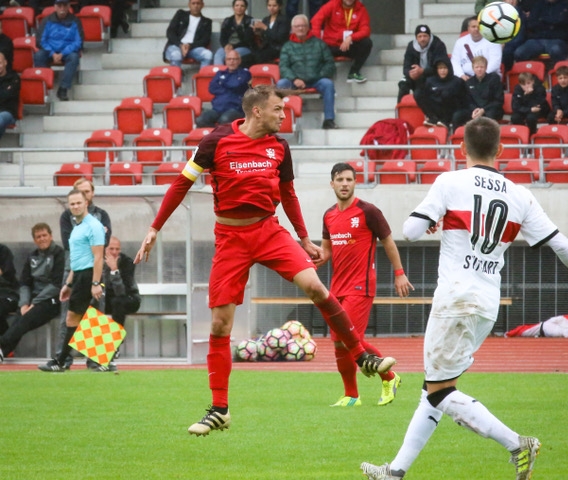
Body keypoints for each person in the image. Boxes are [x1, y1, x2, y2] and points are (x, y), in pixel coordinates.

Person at [134, 84, 396, 437]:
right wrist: (154, 228)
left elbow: (287, 194)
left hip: (269, 232)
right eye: (278, 110)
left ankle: (363, 356)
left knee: (315, 286)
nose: (283, 116)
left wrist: (303, 238)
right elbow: (181, 184)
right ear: (257, 111)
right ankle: (219, 409)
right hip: (231, 239)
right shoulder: (216, 141)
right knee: (219, 326)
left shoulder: (279, 147)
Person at [360, 116, 568, 480]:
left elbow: (409, 232)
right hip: (487, 302)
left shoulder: (450, 181)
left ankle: (517, 443)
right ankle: (395, 472)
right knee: (434, 389)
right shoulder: (520, 194)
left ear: (461, 148)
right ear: (501, 150)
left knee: (440, 391)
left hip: (455, 299)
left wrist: (431, 220)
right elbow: (559, 242)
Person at [316, 162, 413, 407]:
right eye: (340, 180)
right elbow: (326, 252)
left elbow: (388, 242)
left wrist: (399, 273)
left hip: (361, 286)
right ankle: (352, 396)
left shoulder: (368, 211)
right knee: (338, 341)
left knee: (351, 339)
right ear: (332, 184)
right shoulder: (329, 215)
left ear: (355, 182)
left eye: (349, 179)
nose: (345, 184)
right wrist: (307, 261)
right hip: (337, 287)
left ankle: (388, 377)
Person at [38, 189, 105, 372]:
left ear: (86, 203)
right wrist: (68, 283)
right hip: (79, 276)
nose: (75, 206)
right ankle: (101, 359)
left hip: (89, 275)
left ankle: (60, 361)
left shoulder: (94, 226)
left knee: (74, 318)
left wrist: (96, 283)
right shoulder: (78, 226)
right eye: (72, 203)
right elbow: (77, 259)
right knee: (85, 318)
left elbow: (98, 257)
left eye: (78, 202)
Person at [56, 177, 112, 368]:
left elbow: (103, 243)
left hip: (92, 270)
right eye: (79, 193)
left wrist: (95, 282)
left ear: (90, 196)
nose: (80, 201)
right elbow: (66, 243)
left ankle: (96, 360)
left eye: (86, 193)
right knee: (69, 315)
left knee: (94, 315)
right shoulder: (67, 217)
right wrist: (69, 282)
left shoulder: (100, 216)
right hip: (72, 269)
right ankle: (64, 359)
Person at [0, 223, 64, 362]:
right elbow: (24, 284)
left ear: (51, 236)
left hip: (52, 300)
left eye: (44, 235)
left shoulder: (59, 254)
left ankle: (2, 345)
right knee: (20, 318)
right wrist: (24, 303)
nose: (42, 239)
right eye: (38, 237)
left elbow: (56, 285)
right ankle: (3, 351)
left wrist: (34, 303)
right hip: (32, 300)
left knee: (25, 320)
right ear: (34, 240)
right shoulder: (32, 256)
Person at [87, 236, 141, 372]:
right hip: (109, 299)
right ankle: (93, 356)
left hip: (129, 298)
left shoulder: (127, 262)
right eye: (111, 249)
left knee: (118, 302)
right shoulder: (98, 261)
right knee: (94, 306)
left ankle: (113, 346)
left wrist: (114, 270)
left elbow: (121, 291)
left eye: (117, 249)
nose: (114, 252)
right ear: (105, 249)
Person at [277, 14, 338, 129]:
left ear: (308, 27)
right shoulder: (287, 46)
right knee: (281, 84)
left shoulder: (319, 44)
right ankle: (279, 121)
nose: (300, 28)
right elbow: (283, 66)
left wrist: (317, 76)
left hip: (316, 80)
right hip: (294, 81)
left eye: (303, 26)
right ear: (293, 28)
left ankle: (329, 120)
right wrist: (295, 79)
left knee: (328, 84)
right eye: (297, 26)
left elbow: (330, 64)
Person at [311, 0, 372, 83]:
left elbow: (366, 30)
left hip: (347, 46)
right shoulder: (333, 4)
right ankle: (324, 78)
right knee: (318, 49)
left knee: (367, 43)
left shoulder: (361, 9)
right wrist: (317, 41)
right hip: (331, 45)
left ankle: (353, 72)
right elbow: (316, 20)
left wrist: (351, 37)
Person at [34, 0, 84, 102]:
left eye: (64, 6)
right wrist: (52, 53)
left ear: (68, 7)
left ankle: (63, 88)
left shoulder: (75, 21)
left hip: (66, 52)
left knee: (74, 57)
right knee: (38, 55)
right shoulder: (46, 20)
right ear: (55, 7)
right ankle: (45, 86)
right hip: (50, 51)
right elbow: (40, 41)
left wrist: (62, 53)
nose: (62, 9)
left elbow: (78, 42)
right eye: (59, 6)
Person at [195, 50, 251, 127]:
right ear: (225, 61)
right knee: (200, 120)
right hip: (217, 109)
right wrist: (229, 85)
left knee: (224, 120)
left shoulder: (244, 73)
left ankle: (220, 134)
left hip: (235, 109)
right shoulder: (220, 73)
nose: (232, 61)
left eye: (234, 59)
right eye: (229, 59)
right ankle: (215, 134)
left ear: (239, 61)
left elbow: (236, 84)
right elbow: (212, 88)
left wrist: (222, 83)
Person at [513, 0, 568, 68]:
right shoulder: (538, 4)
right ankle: (526, 76)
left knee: (556, 51)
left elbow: (563, 21)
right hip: (537, 40)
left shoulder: (567, 5)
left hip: (558, 40)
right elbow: (531, 24)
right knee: (519, 53)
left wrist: (542, 20)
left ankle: (558, 75)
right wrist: (552, 23)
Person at [397, 24, 448, 103]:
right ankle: (400, 109)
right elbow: (406, 66)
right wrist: (410, 74)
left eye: (425, 36)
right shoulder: (411, 46)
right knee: (403, 83)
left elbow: (440, 67)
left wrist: (423, 71)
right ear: (416, 38)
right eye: (420, 36)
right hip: (416, 75)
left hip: (432, 75)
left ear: (429, 36)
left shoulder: (438, 45)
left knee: (422, 87)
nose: (422, 39)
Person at [415, 56, 466, 129]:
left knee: (446, 94)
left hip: (451, 110)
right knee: (418, 93)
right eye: (440, 68)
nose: (442, 71)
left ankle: (445, 121)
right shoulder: (430, 81)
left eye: (445, 68)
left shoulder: (457, 81)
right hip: (436, 109)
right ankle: (433, 118)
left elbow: (461, 100)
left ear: (449, 68)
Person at [453, 55, 504, 127]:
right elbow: (468, 101)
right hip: (474, 110)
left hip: (490, 109)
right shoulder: (469, 82)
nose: (479, 69)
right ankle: (458, 136)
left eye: (481, 67)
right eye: (477, 67)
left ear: (486, 68)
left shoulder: (494, 79)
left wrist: (483, 110)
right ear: (473, 69)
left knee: (489, 115)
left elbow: (498, 101)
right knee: (457, 115)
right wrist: (475, 110)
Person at [163, 0, 213, 70]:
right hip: (176, 46)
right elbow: (170, 32)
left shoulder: (206, 22)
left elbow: (205, 40)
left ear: (202, 5)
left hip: (193, 48)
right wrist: (181, 45)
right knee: (176, 55)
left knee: (208, 54)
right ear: (189, 5)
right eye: (193, 3)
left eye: (198, 3)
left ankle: (203, 78)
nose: (195, 6)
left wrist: (189, 46)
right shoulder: (180, 14)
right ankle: (176, 78)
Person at [451, 16, 502, 81]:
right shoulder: (460, 42)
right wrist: (461, 75)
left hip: (487, 76)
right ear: (468, 29)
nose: (476, 29)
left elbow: (495, 63)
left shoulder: (493, 41)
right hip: (465, 77)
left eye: (479, 27)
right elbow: (454, 62)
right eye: (473, 27)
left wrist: (479, 76)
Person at [213, 0, 255, 67]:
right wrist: (226, 45)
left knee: (233, 55)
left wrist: (233, 47)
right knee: (218, 55)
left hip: (244, 47)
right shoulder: (228, 20)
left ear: (245, 8)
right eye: (237, 5)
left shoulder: (249, 20)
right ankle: (221, 75)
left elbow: (248, 40)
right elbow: (222, 38)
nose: (239, 8)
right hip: (228, 47)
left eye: (242, 6)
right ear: (233, 7)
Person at [511, 71, 550, 136]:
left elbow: (538, 104)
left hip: (540, 110)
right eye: (523, 84)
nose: (526, 86)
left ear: (533, 82)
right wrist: (526, 96)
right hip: (526, 110)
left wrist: (528, 99)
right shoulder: (517, 89)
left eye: (528, 83)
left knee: (531, 117)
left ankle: (532, 134)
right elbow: (515, 106)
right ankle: (522, 134)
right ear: (520, 84)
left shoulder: (540, 88)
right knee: (515, 117)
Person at [251, 0, 290, 64]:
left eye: (274, 6)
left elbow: (279, 38)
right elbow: (264, 36)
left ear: (280, 7)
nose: (271, 8)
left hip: (278, 48)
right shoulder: (266, 19)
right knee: (248, 57)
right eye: (269, 5)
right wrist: (257, 32)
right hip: (265, 47)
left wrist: (265, 28)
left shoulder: (284, 19)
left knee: (258, 57)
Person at [0, 51, 20, 141]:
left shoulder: (14, 78)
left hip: (8, 113)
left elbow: (8, 95)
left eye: (0, 63)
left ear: (5, 62)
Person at [0, 243, 19, 337]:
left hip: (8, 294)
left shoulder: (3, 250)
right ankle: (6, 347)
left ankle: (5, 347)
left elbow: (7, 273)